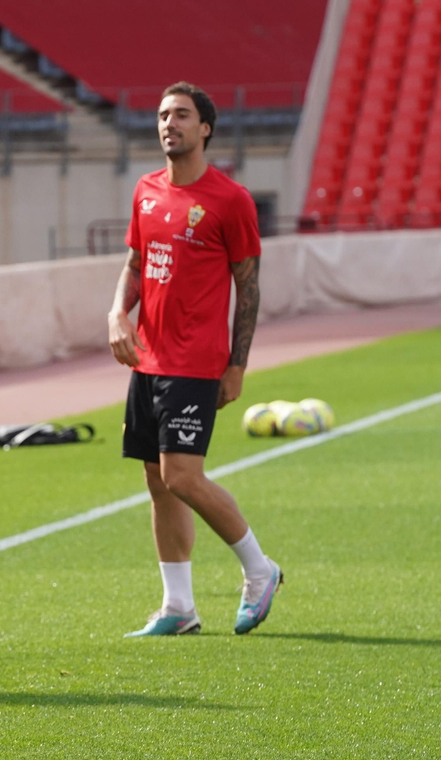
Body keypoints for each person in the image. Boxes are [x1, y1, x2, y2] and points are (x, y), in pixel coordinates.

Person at [106, 82, 282, 636]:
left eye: (181, 115)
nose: (168, 123)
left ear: (205, 128)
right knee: (158, 481)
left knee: (183, 476)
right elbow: (136, 263)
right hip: (149, 359)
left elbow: (248, 289)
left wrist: (238, 364)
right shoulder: (146, 191)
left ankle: (260, 569)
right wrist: (117, 313)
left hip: (195, 360)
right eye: (162, 114)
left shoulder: (230, 200)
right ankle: (178, 607)